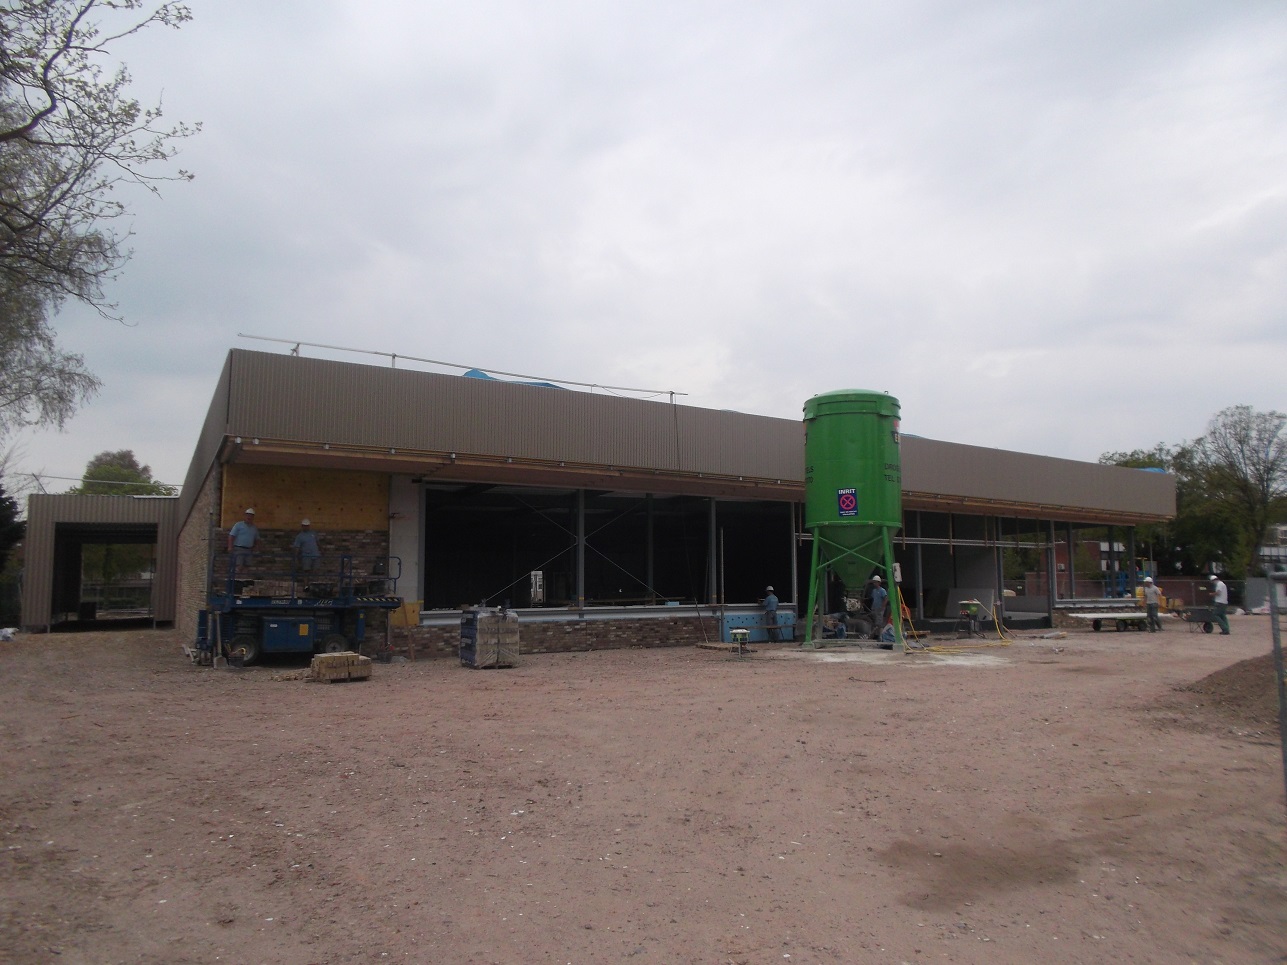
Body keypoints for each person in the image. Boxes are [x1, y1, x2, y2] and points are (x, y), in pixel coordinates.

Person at [227, 508, 259, 572]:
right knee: (239, 565)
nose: (249, 517)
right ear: (245, 516)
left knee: (247, 566)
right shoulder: (238, 525)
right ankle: (236, 576)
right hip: (239, 548)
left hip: (249, 549)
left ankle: (244, 578)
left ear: (253, 517)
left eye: (251, 516)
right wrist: (230, 546)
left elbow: (257, 539)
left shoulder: (254, 528)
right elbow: (231, 536)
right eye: (247, 515)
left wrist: (256, 547)